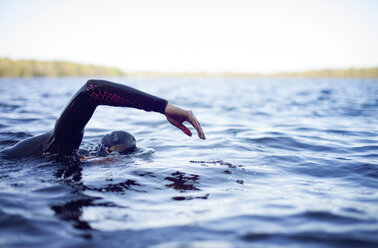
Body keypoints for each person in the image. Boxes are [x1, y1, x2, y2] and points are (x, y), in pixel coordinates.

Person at [1, 79, 206, 159]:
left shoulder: (70, 149)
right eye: (115, 158)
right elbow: (92, 90)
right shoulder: (63, 141)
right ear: (107, 151)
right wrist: (163, 107)